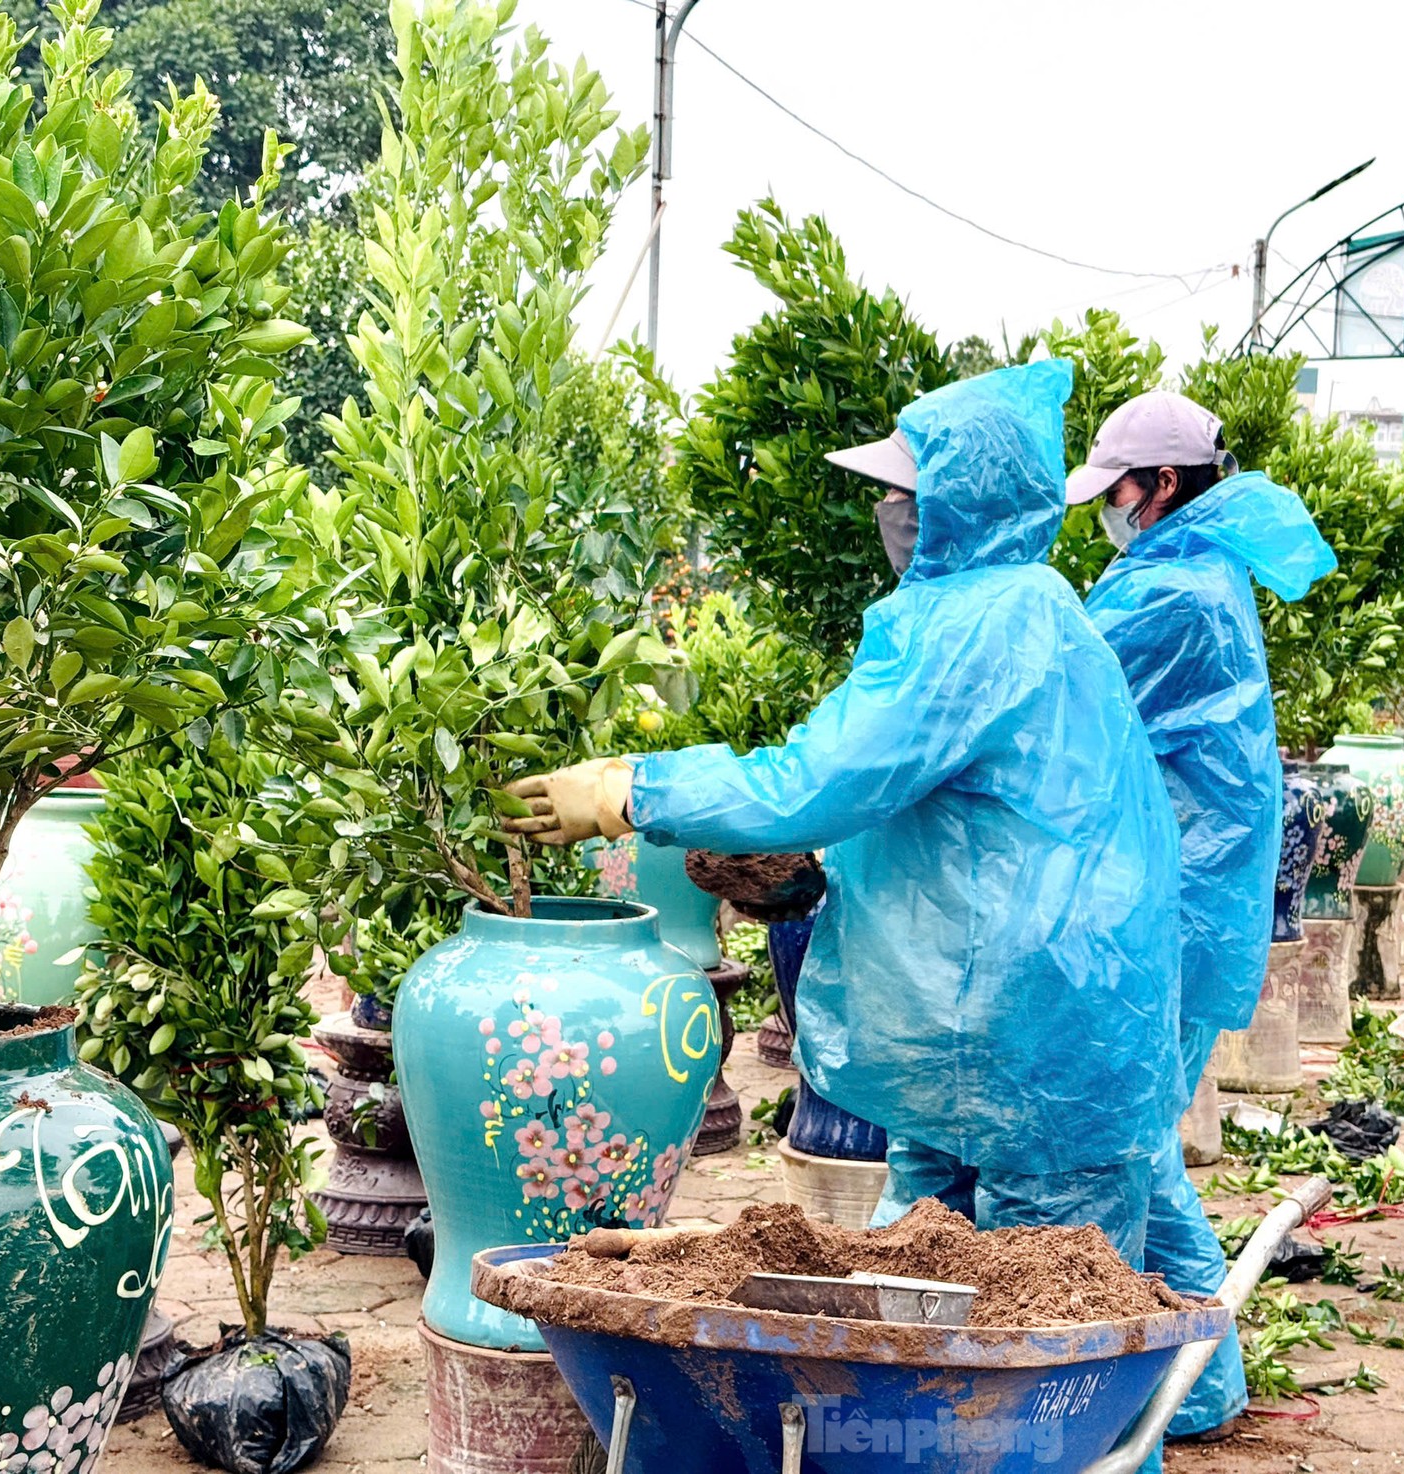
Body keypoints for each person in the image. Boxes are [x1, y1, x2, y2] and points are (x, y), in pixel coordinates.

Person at [502, 361, 1187, 1264]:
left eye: (905, 490)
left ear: (959, 499)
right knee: (1050, 1256)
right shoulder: (1031, 604)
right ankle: (1182, 1402)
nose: (890, 511)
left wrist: (633, 793)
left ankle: (1065, 1410)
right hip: (1045, 997)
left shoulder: (970, 625)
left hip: (1024, 1013)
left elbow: (818, 780)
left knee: (1044, 1292)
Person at [1071, 391, 1335, 1441]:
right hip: (1179, 900)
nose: (1105, 509)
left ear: (1162, 487)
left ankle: (1185, 1381)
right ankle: (1204, 1385)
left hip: (1163, 910)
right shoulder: (1186, 569)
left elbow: (1055, 695)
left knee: (1127, 1144)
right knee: (1142, 1144)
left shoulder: (1171, 593)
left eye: (1115, 491)